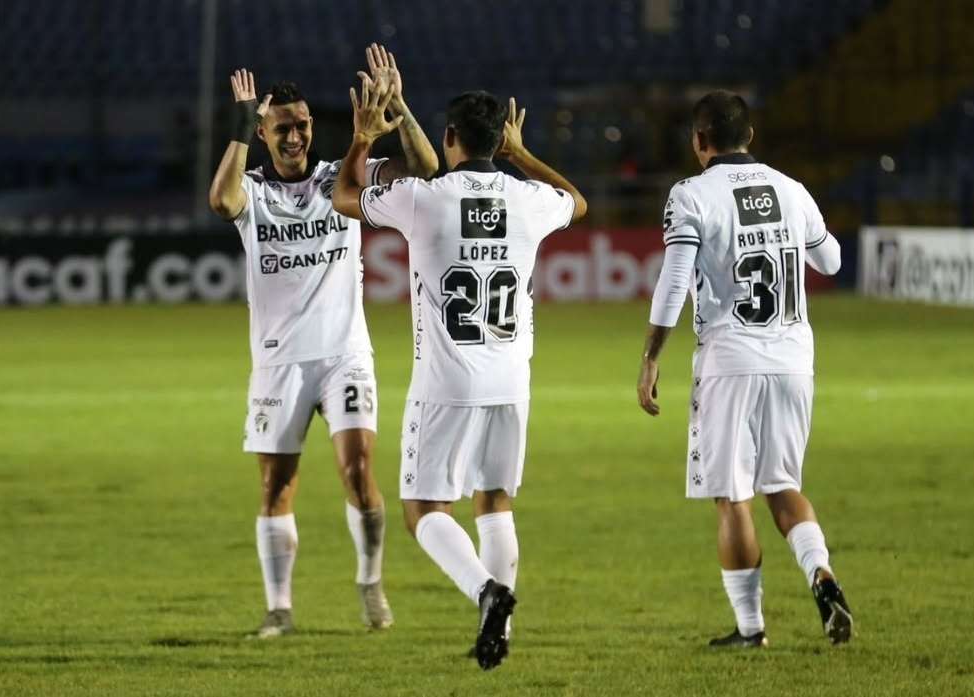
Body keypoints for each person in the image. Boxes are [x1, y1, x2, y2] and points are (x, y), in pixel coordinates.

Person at [332, 86, 587, 669]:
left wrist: (364, 136)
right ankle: (500, 633)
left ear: (448, 138)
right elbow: (577, 201)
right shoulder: (528, 202)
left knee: (424, 510)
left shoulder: (424, 199)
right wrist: (522, 156)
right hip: (510, 382)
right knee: (494, 503)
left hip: (446, 383)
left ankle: (486, 593)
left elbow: (345, 195)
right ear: (500, 139)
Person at [207, 45, 439, 638]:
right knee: (276, 485)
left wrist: (401, 106)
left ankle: (370, 583)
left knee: (360, 471)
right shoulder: (253, 192)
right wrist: (238, 123)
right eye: (282, 127)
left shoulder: (339, 179)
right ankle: (280, 607)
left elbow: (425, 169)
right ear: (263, 133)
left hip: (344, 356)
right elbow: (221, 200)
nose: (295, 136)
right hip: (278, 363)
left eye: (303, 125)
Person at [636, 90, 853, 648]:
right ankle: (821, 576)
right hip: (793, 358)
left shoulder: (691, 194)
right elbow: (830, 260)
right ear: (749, 137)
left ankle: (751, 628)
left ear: (699, 141)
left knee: (732, 496)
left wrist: (651, 356)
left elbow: (674, 281)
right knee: (783, 485)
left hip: (729, 359)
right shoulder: (792, 188)